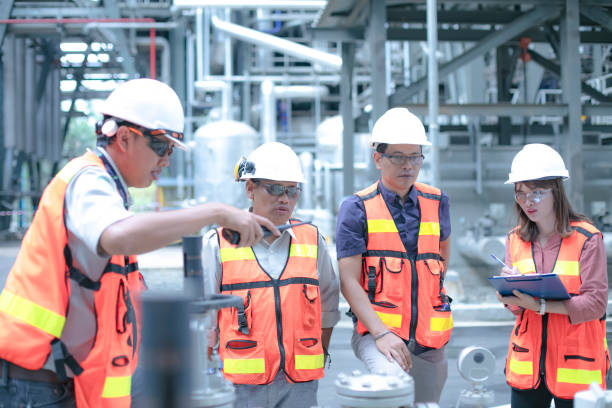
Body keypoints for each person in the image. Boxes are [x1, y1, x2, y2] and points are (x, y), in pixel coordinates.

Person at [0, 78, 277, 408]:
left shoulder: (112, 192)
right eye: (161, 147)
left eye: (172, 149)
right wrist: (215, 212)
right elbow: (117, 237)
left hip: (59, 377)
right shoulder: (88, 180)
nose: (167, 159)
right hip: (34, 383)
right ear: (125, 137)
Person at [202, 141, 340, 408]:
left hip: (299, 382)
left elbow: (328, 305)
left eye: (292, 190)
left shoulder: (312, 240)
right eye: (275, 189)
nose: (284, 199)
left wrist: (317, 350)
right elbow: (205, 318)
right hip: (240, 382)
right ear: (250, 189)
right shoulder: (218, 243)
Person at [336, 107, 452, 404]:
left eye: (415, 156)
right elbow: (349, 282)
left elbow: (440, 264)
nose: (408, 165)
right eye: (398, 156)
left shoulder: (437, 201)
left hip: (430, 340)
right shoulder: (356, 208)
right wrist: (381, 332)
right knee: (394, 391)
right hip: (378, 334)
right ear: (378, 158)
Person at [496, 143, 608, 408]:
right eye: (521, 194)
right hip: (528, 365)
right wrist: (508, 290)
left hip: (576, 366)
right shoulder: (515, 239)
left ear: (556, 191)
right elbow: (515, 309)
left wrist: (542, 306)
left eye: (537, 193)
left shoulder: (587, 238)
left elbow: (596, 304)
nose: (527, 202)